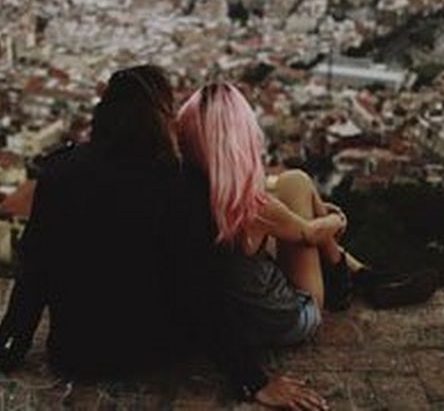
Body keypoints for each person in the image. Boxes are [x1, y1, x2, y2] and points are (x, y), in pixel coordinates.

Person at [0, 66, 329, 410]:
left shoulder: (58, 174)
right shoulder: (180, 187)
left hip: (76, 354)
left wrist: (4, 348)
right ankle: (343, 269)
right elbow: (198, 294)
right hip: (160, 353)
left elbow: (35, 269)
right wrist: (253, 381)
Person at [176, 82, 426, 349]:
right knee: (297, 182)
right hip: (290, 318)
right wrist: (337, 220)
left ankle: (363, 275)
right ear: (242, 138)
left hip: (240, 317)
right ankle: (350, 280)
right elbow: (310, 234)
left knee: (293, 182)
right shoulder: (253, 207)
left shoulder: (188, 193)